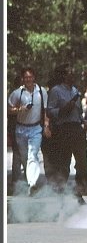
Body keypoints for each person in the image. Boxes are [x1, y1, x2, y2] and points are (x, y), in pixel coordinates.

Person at [46, 63, 87, 204]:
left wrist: (83, 120)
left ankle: (79, 190)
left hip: (77, 129)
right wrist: (63, 109)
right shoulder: (56, 91)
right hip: (63, 130)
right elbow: (50, 111)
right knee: (64, 163)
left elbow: (79, 112)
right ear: (64, 75)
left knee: (82, 162)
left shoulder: (75, 91)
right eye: (70, 73)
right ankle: (61, 192)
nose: (73, 75)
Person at [7, 65, 51, 196]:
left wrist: (46, 126)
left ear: (34, 77)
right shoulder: (17, 93)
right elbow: (8, 109)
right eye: (26, 77)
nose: (28, 79)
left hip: (35, 128)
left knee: (33, 154)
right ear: (22, 79)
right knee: (25, 158)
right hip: (20, 129)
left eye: (30, 77)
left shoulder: (41, 91)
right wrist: (21, 109)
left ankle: (32, 183)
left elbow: (45, 110)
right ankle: (29, 180)